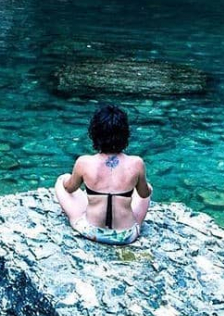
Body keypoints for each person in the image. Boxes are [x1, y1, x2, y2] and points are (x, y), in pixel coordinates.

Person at [54, 103, 152, 245]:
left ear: (95, 134)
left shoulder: (84, 162)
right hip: (127, 235)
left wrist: (67, 179)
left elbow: (69, 189)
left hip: (92, 232)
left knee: (61, 180)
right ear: (125, 134)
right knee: (147, 187)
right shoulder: (136, 163)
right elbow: (144, 194)